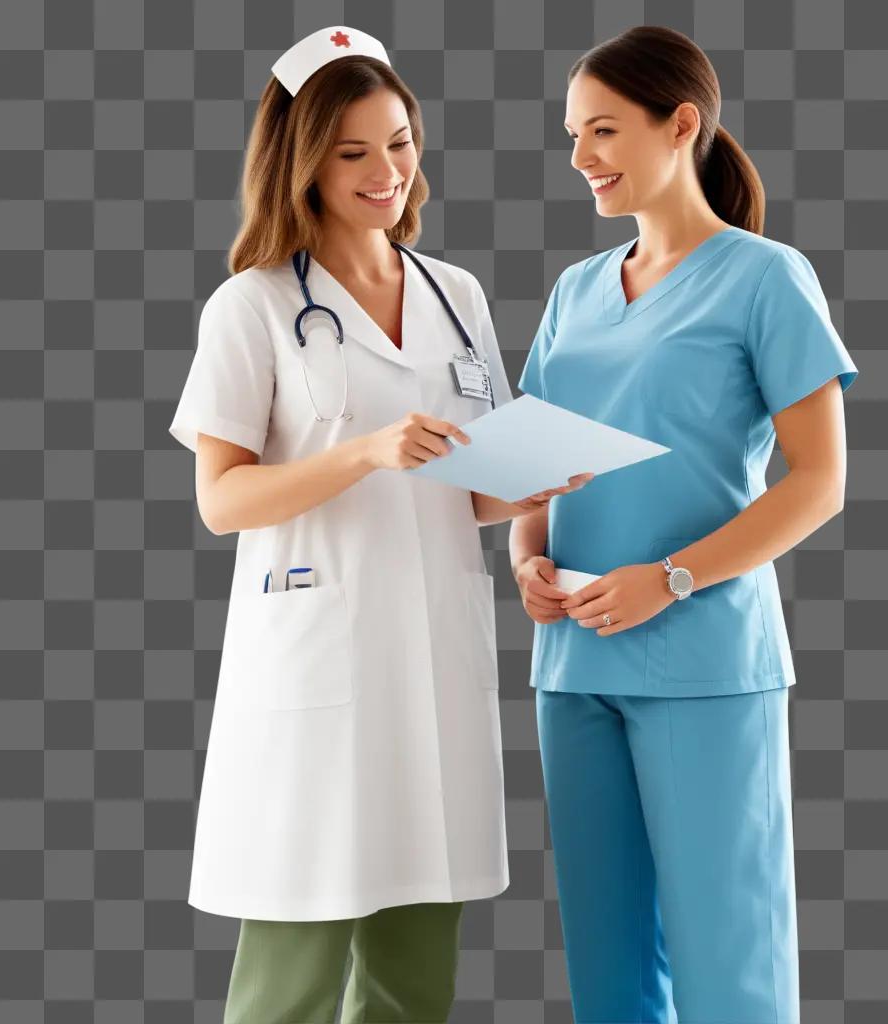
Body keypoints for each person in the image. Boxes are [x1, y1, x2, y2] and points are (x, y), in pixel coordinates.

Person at [167, 26, 590, 1024]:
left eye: (398, 142)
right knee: (293, 957)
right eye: (353, 151)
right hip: (314, 659)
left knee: (414, 958)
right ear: (302, 160)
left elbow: (468, 487)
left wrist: (535, 484)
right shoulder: (255, 306)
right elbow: (221, 500)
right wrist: (362, 451)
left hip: (431, 657)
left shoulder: (456, 294)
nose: (385, 172)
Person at [510, 25, 860, 1024]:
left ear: (682, 126)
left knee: (725, 954)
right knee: (608, 965)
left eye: (604, 131)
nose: (581, 156)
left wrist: (667, 578)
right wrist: (526, 557)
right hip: (572, 665)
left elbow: (819, 482)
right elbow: (533, 467)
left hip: (703, 662)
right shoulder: (576, 290)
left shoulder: (764, 277)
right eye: (573, 133)